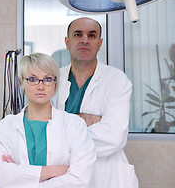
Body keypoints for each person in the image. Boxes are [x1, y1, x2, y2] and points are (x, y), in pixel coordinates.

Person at [0, 53, 96, 188]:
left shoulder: (74, 125)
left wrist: (19, 176)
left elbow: (81, 179)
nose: (40, 86)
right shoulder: (6, 126)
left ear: (55, 83)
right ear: (22, 82)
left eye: (48, 79)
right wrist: (53, 171)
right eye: (32, 79)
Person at [52, 17, 139, 188]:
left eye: (92, 35)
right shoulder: (52, 80)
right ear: (67, 42)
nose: (84, 39)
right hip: (63, 177)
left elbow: (113, 137)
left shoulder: (116, 80)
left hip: (106, 177)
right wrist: (87, 120)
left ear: (99, 44)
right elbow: (40, 126)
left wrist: (62, 128)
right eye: (78, 34)